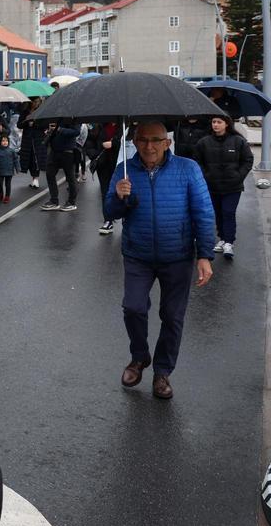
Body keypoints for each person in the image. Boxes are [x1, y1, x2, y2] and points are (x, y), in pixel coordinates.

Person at [105, 122, 215, 399]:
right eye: (143, 140)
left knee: (173, 316)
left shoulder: (187, 169)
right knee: (133, 307)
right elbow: (109, 211)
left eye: (156, 140)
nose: (149, 146)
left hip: (177, 256)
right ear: (134, 141)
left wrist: (204, 255)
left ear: (168, 142)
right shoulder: (124, 171)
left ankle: (162, 372)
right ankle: (140, 357)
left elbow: (203, 212)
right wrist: (119, 196)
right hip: (137, 254)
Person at [193, 115, 254, 261]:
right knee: (218, 213)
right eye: (213, 122)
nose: (215, 125)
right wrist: (206, 176)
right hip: (212, 186)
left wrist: (238, 176)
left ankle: (229, 243)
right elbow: (197, 161)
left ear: (227, 124)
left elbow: (248, 160)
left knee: (228, 212)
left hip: (233, 186)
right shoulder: (204, 142)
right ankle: (222, 238)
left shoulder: (238, 141)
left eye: (219, 122)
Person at [84, 122, 121, 234]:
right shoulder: (99, 126)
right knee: (106, 192)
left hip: (121, 164)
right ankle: (108, 220)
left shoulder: (124, 125)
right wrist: (95, 155)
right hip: (103, 164)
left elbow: (131, 142)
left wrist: (114, 143)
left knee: (124, 192)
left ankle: (126, 219)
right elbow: (89, 142)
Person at [39, 121, 80, 212]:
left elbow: (76, 132)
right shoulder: (56, 116)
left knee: (70, 177)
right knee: (49, 174)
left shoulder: (73, 116)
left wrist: (60, 129)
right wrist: (49, 131)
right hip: (54, 151)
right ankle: (54, 200)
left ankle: (71, 202)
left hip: (68, 151)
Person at [18, 99, 47, 189]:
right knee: (29, 159)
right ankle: (33, 178)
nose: (36, 103)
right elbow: (19, 125)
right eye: (34, 101)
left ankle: (36, 179)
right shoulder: (25, 112)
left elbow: (45, 125)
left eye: (37, 102)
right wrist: (27, 122)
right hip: (27, 139)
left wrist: (35, 124)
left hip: (38, 139)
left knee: (36, 158)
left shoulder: (42, 111)